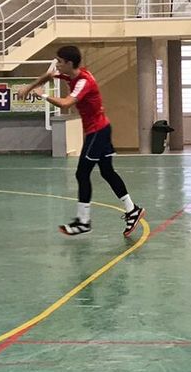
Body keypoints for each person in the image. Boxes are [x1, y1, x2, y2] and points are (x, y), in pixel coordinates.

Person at [20, 46, 143, 237]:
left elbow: (66, 103)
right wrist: (28, 87)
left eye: (60, 61)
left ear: (69, 63)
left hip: (98, 131)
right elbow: (48, 75)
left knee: (81, 173)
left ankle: (83, 221)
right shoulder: (71, 74)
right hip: (99, 129)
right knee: (107, 172)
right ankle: (132, 210)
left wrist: (41, 95)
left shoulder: (83, 82)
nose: (57, 65)